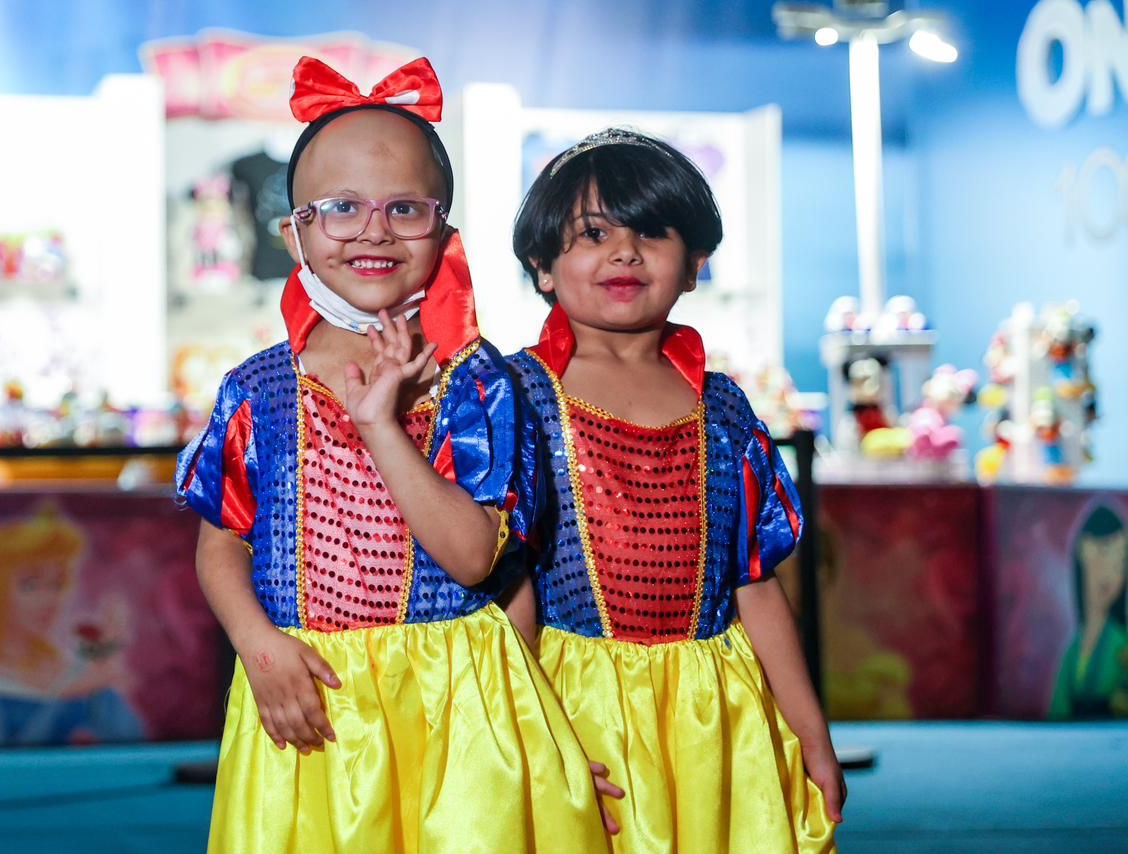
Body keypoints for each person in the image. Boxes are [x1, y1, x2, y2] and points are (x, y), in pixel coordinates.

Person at [176, 57, 606, 852]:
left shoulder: (478, 384)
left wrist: (381, 423)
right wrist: (257, 643)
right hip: (311, 695)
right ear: (293, 230)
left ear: (443, 231)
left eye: (404, 209)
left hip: (459, 705)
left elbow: (479, 558)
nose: (373, 231)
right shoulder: (257, 388)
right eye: (340, 208)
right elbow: (220, 542)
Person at [504, 128, 841, 852]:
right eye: (593, 233)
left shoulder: (723, 408)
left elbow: (755, 584)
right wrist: (529, 733)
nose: (624, 252)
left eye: (652, 232)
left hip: (717, 713)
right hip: (573, 702)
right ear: (541, 265)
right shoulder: (517, 397)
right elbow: (508, 583)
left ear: (694, 264)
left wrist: (812, 734)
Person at [0, 504, 142, 748]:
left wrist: (104, 673)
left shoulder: (67, 666)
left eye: (57, 584)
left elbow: (133, 742)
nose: (49, 599)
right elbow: (1, 759)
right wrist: (69, 693)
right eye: (30, 585)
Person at [1049, 504, 1128, 719]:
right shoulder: (1072, 650)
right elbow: (1058, 712)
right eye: (1104, 551)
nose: (1111, 573)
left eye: (1121, 562)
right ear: (1083, 550)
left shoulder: (1122, 642)